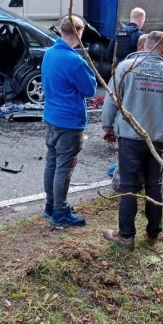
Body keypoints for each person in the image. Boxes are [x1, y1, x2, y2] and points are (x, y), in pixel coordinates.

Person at [101, 30, 163, 249]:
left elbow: (111, 101)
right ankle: (154, 233)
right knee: (154, 185)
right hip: (158, 139)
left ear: (145, 47)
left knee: (129, 186)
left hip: (130, 137)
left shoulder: (126, 68)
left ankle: (126, 236)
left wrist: (108, 127)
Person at [41, 14, 98, 227]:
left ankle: (50, 205)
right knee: (64, 167)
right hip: (69, 121)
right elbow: (90, 89)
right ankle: (60, 212)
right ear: (79, 33)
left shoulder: (49, 54)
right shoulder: (74, 61)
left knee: (52, 162)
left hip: (52, 117)